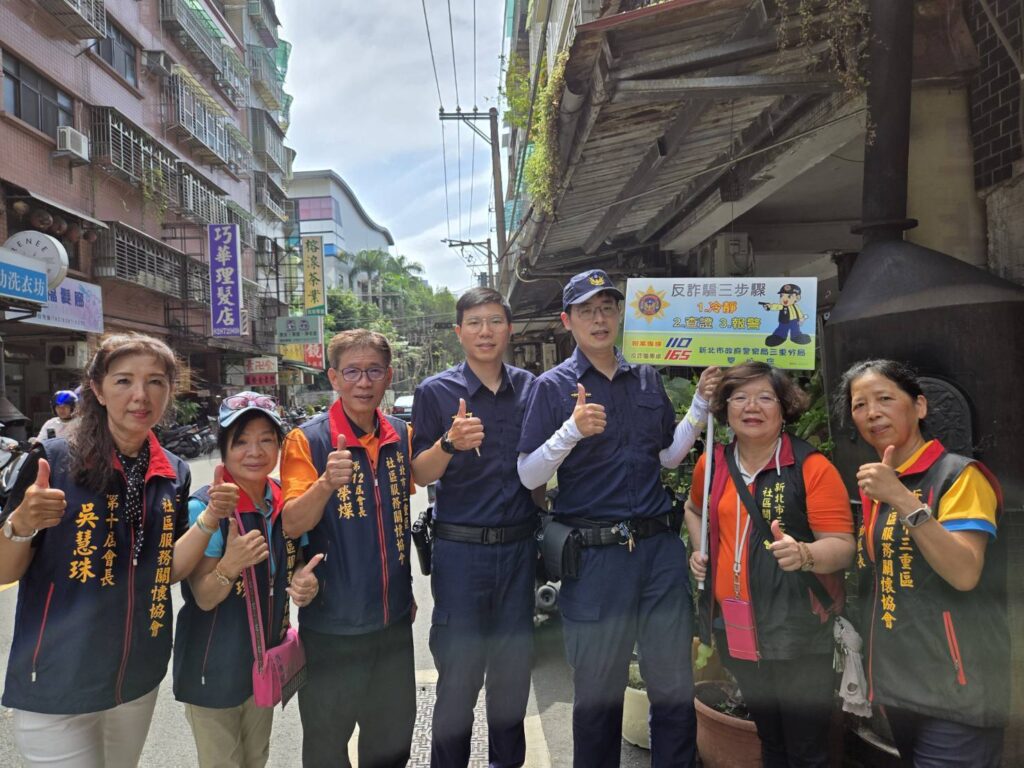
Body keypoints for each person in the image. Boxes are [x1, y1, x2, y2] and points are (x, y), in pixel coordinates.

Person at [517, 268, 720, 768]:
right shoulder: (552, 387)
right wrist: (570, 431)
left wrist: (699, 404)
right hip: (596, 558)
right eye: (586, 310)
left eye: (607, 307)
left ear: (621, 314)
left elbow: (669, 457)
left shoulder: (646, 377)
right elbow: (527, 474)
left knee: (673, 685)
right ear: (568, 321)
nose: (599, 318)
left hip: (658, 553)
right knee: (598, 693)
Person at [0, 333, 231, 766]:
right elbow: (3, 573)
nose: (141, 396)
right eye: (124, 381)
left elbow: (167, 569)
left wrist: (210, 519)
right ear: (98, 389)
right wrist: (23, 524)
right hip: (57, 681)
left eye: (156, 382)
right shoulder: (52, 460)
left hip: (135, 679)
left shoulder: (173, 473)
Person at [684, 361, 854, 768]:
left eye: (764, 397)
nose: (751, 407)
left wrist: (806, 555)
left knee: (806, 747)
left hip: (798, 630)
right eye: (739, 397)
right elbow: (693, 509)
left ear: (784, 407)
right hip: (737, 628)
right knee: (770, 737)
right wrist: (699, 549)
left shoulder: (811, 467)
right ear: (724, 409)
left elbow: (844, 546)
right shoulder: (713, 464)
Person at [839, 359, 1008, 767]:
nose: (872, 413)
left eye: (884, 399)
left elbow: (965, 572)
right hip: (900, 685)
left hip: (957, 687)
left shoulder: (958, 476)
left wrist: (902, 498)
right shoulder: (878, 483)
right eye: (859, 405)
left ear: (919, 406)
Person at [412, 287, 537, 768]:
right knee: (458, 681)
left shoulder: (532, 387)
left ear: (509, 328)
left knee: (511, 680)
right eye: (475, 322)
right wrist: (449, 442)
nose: (486, 332)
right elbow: (419, 474)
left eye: (496, 321)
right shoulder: (435, 391)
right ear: (458, 331)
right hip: (460, 553)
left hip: (520, 549)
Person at [281, 329, 416, 768]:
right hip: (333, 627)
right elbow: (292, 521)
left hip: (393, 622)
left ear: (388, 376)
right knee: (326, 745)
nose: (364, 382)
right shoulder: (308, 440)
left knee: (391, 741)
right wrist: (325, 483)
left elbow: (399, 509)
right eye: (353, 372)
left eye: (373, 371)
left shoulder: (399, 433)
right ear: (334, 377)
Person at [173, 392, 320, 768]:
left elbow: (299, 562)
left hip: (264, 662)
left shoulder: (285, 502)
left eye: (266, 439)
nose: (254, 451)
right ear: (223, 447)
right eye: (240, 441)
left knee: (256, 758)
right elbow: (204, 597)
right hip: (212, 667)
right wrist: (230, 565)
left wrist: (305, 580)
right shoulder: (207, 508)